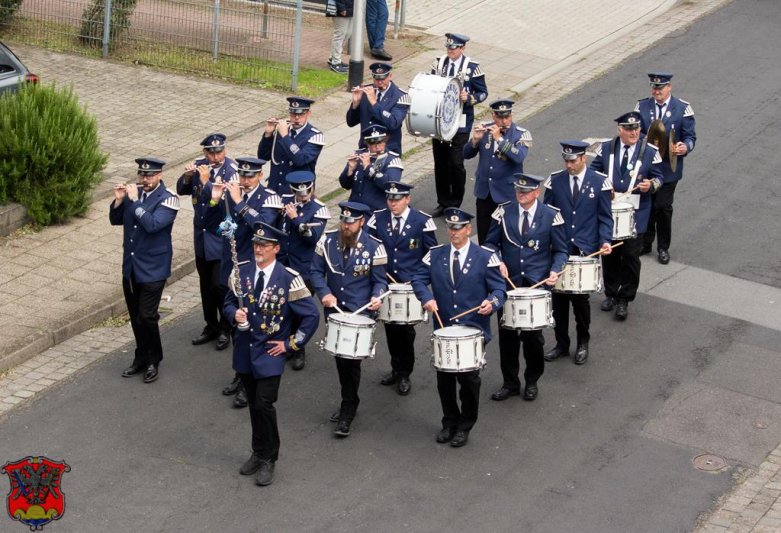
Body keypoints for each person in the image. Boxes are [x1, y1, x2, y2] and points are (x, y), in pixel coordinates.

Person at [224, 222, 320, 487]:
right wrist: (235, 314)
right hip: (245, 351)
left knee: (264, 404)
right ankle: (257, 451)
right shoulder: (241, 272)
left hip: (270, 353)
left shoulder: (289, 278)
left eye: (264, 246)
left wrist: (291, 345)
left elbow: (310, 317)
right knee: (253, 405)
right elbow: (229, 302)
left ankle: (270, 458)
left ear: (276, 248)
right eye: (256, 245)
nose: (258, 249)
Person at [411, 208, 505, 447]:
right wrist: (426, 298)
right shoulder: (435, 255)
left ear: (468, 229)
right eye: (450, 228)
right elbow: (418, 278)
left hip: (473, 328)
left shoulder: (485, 256)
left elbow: (499, 290)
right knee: (444, 379)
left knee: (469, 380)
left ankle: (465, 425)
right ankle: (449, 422)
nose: (453, 232)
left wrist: (491, 303)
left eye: (458, 228)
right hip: (444, 328)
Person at [484, 174, 567, 402]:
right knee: (507, 336)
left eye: (526, 192)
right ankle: (510, 382)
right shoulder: (503, 212)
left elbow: (561, 250)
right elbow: (490, 243)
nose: (521, 195)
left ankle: (532, 380)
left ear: (537, 193)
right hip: (508, 284)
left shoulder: (551, 215)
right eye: (518, 191)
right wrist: (497, 260)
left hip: (535, 286)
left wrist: (555, 270)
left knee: (533, 338)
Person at [310, 202, 388, 438]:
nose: (346, 226)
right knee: (340, 360)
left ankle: (348, 409)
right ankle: (349, 399)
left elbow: (380, 281)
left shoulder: (375, 247)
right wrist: (324, 293)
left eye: (351, 222)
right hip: (334, 309)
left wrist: (376, 297)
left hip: (359, 312)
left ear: (361, 222)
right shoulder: (327, 241)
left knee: (350, 361)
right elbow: (315, 271)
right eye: (344, 221)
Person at [209, 156, 282, 408]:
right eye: (242, 175)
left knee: (254, 326)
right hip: (233, 267)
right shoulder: (232, 194)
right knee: (237, 324)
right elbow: (214, 223)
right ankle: (241, 375)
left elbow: (263, 225)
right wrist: (216, 199)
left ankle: (251, 379)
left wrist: (239, 203)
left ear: (260, 175)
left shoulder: (270, 197)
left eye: (250, 176)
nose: (245, 180)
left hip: (256, 270)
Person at [110, 157, 180, 383]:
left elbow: (152, 225)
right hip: (131, 267)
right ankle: (140, 356)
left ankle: (153, 359)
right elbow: (115, 220)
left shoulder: (169, 199)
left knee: (147, 315)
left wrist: (134, 201)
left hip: (154, 267)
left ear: (159, 175)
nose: (145, 179)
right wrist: (120, 201)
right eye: (142, 175)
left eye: (149, 176)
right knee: (135, 317)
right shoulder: (134, 195)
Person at [543, 141, 613, 365]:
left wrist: (605, 241)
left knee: (580, 301)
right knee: (559, 300)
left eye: (573, 161)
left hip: (585, 248)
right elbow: (547, 215)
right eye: (566, 161)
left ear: (584, 158)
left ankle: (583, 342)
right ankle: (561, 343)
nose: (569, 165)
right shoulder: (555, 181)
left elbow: (604, 217)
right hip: (560, 247)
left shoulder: (599, 182)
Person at [590, 112, 664, 320]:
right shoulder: (606, 148)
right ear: (619, 130)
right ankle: (611, 293)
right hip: (610, 211)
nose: (634, 133)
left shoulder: (650, 151)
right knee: (610, 255)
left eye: (637, 129)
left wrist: (651, 185)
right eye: (629, 129)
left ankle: (625, 298)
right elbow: (593, 173)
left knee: (631, 257)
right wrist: (605, 186)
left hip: (636, 213)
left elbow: (659, 177)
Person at [367, 182, 437, 396]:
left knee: (406, 331)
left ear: (407, 199)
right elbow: (370, 247)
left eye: (397, 200)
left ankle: (405, 372)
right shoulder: (377, 218)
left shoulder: (422, 221)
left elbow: (431, 254)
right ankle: (396, 368)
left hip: (409, 285)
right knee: (390, 327)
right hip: (386, 284)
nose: (393, 203)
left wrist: (418, 278)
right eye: (390, 199)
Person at [177, 133, 237, 351]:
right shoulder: (201, 165)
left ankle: (225, 328)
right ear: (204, 152)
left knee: (219, 286)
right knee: (205, 286)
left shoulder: (232, 172)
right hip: (201, 236)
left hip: (219, 237)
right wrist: (187, 177)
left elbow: (224, 204)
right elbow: (182, 189)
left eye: (219, 151)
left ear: (225, 151)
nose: (215, 156)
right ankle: (210, 325)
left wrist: (206, 182)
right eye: (210, 152)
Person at [634, 72, 697, 265]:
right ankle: (646, 242)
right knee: (647, 205)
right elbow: (635, 130)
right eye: (654, 87)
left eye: (660, 88)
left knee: (662, 206)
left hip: (669, 168)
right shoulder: (642, 106)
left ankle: (663, 247)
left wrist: (684, 147)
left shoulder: (682, 108)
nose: (656, 91)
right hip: (647, 166)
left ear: (669, 87)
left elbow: (690, 137)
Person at [276, 170, 331, 370]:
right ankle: (283, 344)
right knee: (282, 307)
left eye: (306, 192)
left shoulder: (319, 209)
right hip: (283, 264)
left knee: (300, 310)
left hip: (305, 268)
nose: (302, 196)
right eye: (298, 193)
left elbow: (312, 237)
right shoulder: (283, 202)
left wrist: (296, 218)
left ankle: (299, 348)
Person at [430, 33, 488, 216]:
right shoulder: (439, 64)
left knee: (455, 162)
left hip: (461, 122)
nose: (450, 50)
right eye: (448, 47)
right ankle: (443, 201)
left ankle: (455, 201)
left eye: (454, 48)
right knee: (440, 162)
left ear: (462, 49)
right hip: (440, 121)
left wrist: (469, 98)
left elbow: (483, 93)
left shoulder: (472, 68)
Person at [464, 99, 532, 244]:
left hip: (506, 195)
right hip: (485, 193)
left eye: (507, 116)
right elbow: (466, 154)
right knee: (485, 236)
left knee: (507, 238)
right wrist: (475, 140)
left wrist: (500, 140)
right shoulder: (485, 129)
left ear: (511, 115)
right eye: (500, 117)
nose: (504, 121)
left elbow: (518, 157)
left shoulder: (521, 134)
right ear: (493, 116)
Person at [257, 96, 325, 195]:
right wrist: (268, 135)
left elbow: (300, 160)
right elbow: (263, 157)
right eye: (293, 114)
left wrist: (285, 137)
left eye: (301, 114)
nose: (296, 118)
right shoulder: (281, 130)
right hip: (274, 189)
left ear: (308, 113)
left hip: (297, 192)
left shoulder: (315, 136)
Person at [346, 62, 410, 155]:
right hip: (366, 149)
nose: (379, 82)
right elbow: (351, 122)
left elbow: (393, 123)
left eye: (383, 78)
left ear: (390, 76)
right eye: (376, 79)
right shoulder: (366, 91)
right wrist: (355, 104)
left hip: (388, 151)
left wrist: (374, 103)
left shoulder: (401, 97)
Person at [339, 125, 403, 211]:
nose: (377, 147)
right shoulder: (359, 155)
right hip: (355, 210)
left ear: (385, 141)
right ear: (367, 144)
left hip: (376, 212)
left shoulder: (392, 160)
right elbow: (345, 185)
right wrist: (350, 169)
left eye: (380, 142)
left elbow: (391, 186)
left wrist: (368, 168)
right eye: (373, 143)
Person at [326, 0, 353, 73]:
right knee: (339, 35)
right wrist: (341, 8)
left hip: (351, 7)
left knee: (347, 34)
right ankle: (336, 63)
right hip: (340, 8)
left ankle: (333, 58)